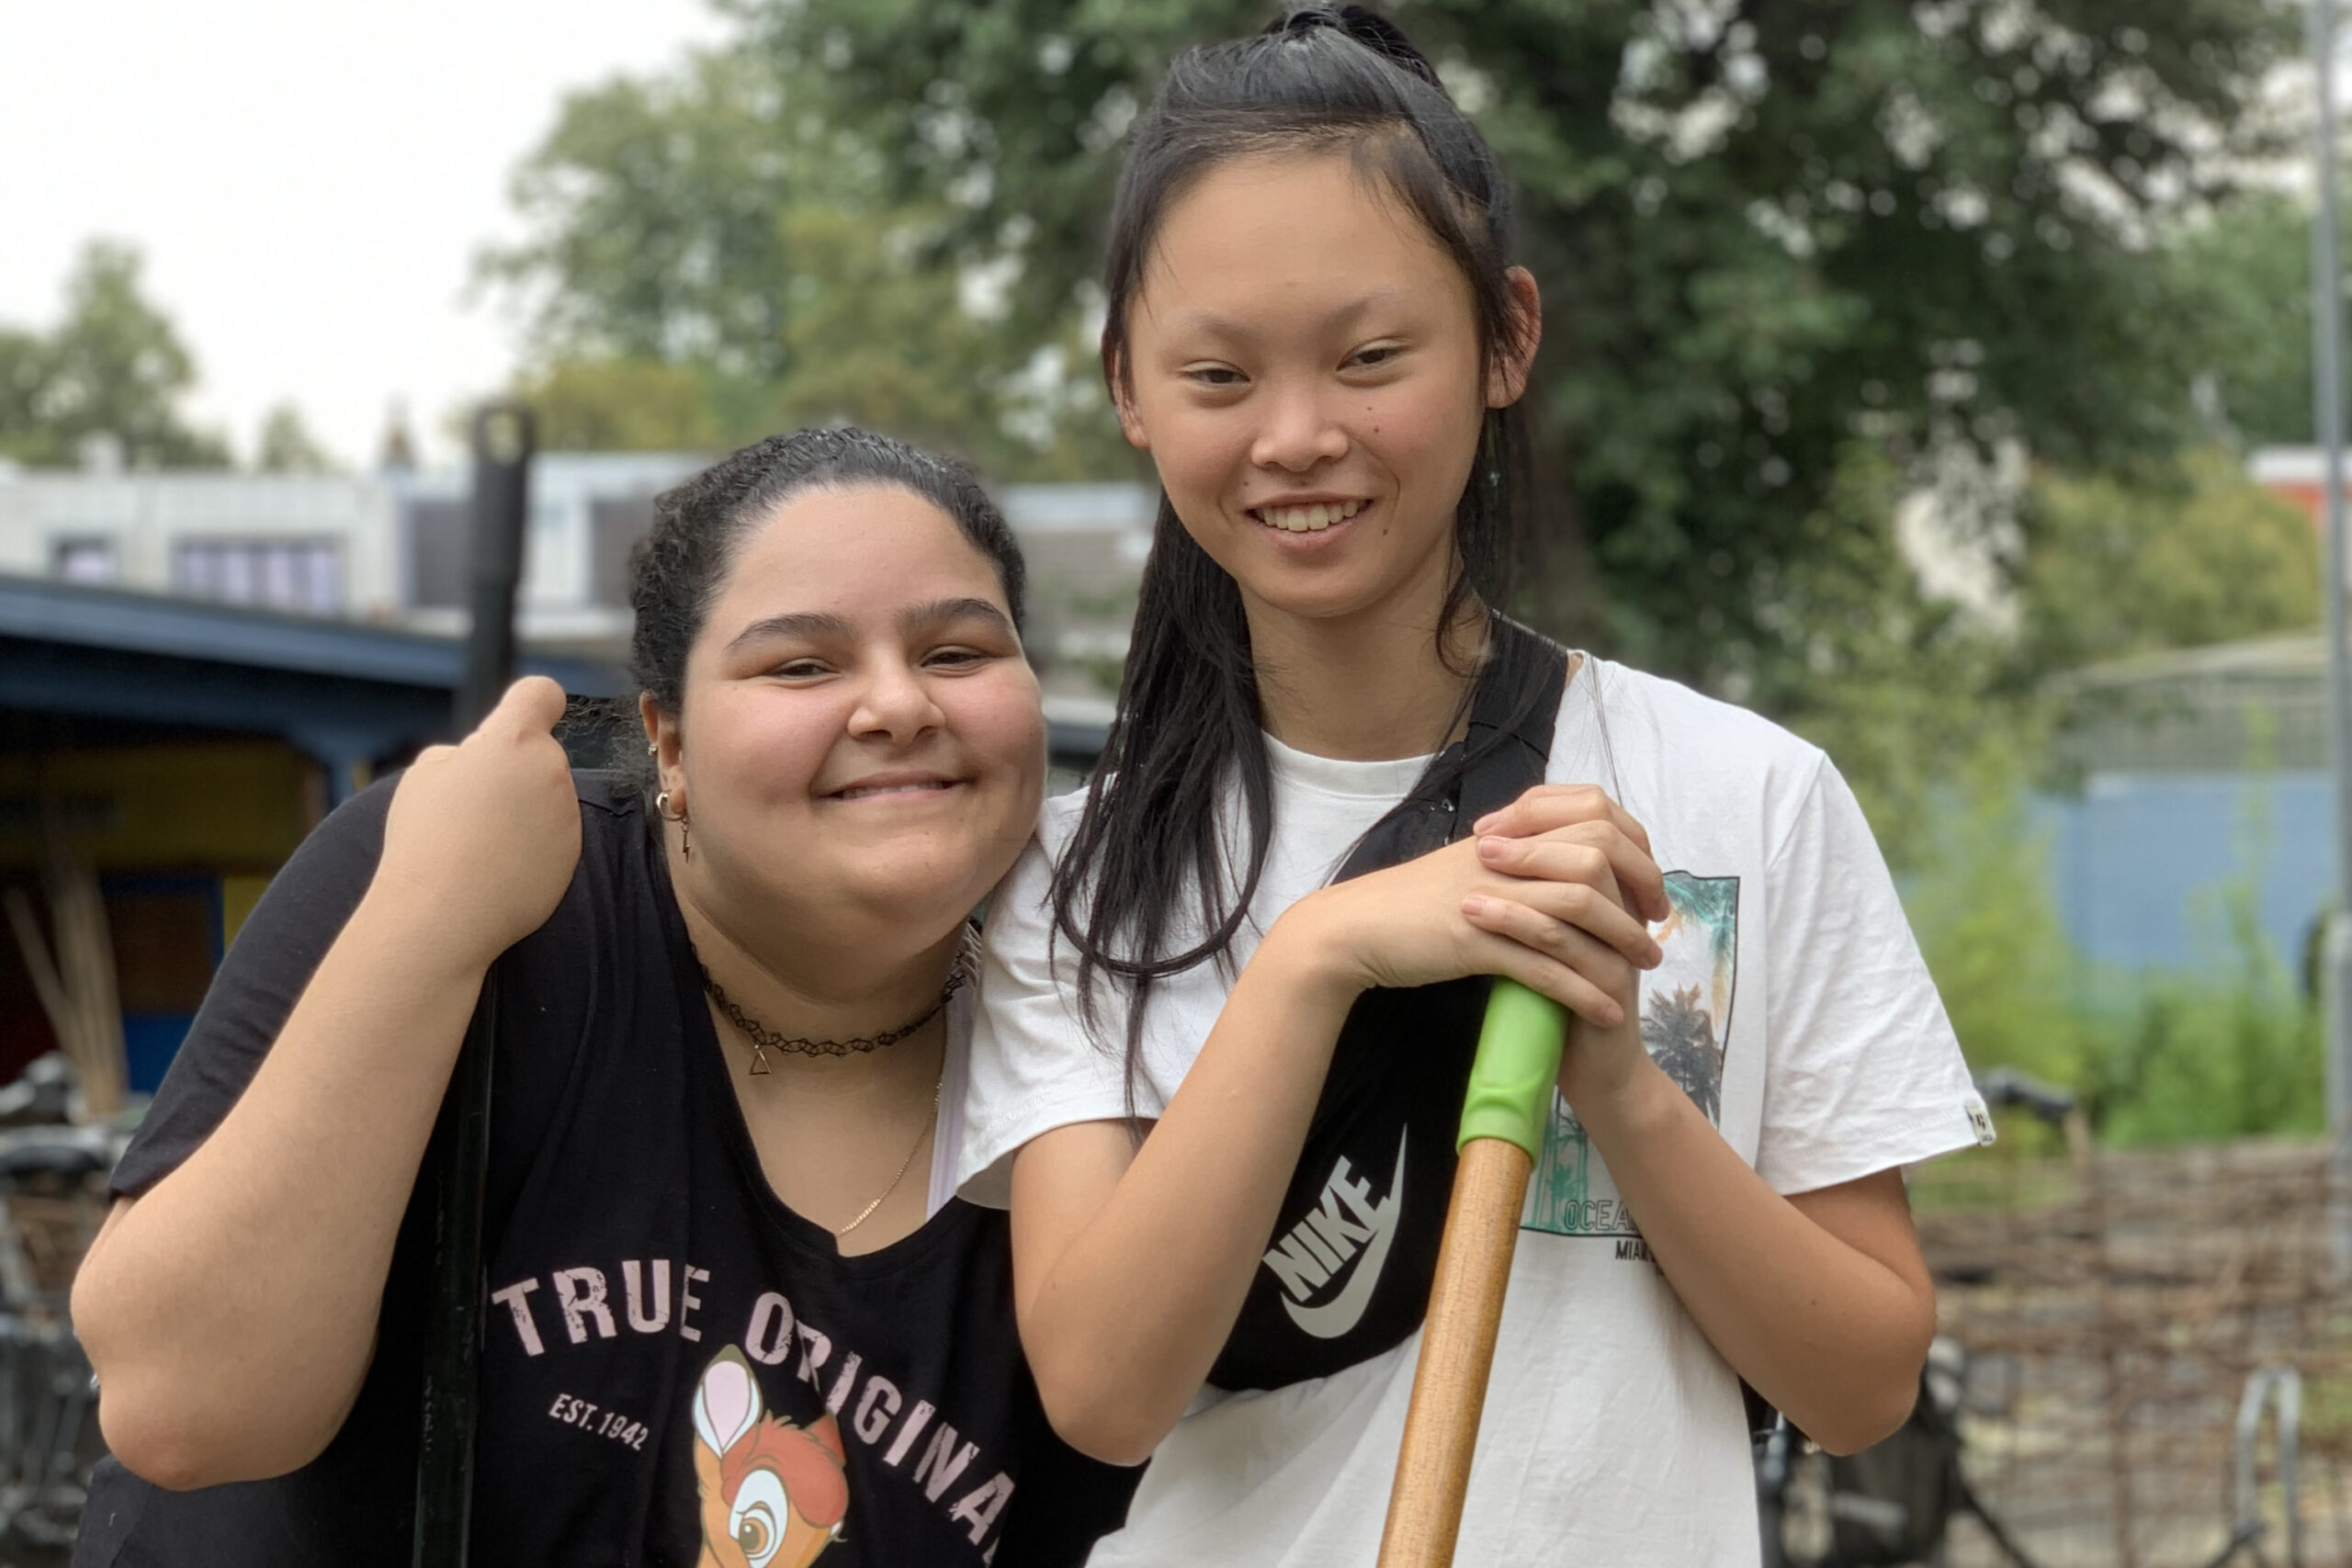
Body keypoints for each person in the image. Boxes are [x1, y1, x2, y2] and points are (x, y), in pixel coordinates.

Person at [956, 8, 1995, 1565]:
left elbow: (1860, 1385)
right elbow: (1103, 1390)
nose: (1299, 436)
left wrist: (1624, 1085)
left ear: (1506, 339)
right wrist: (1319, 959)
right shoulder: (1079, 877)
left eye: (1373, 358)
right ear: (1129, 385)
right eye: (1220, 373)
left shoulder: (1743, 796)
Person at [70, 428, 1136, 1567]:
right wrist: (428, 921)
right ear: (666, 743)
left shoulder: (1100, 1042)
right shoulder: (481, 882)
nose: (896, 705)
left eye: (959, 651)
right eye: (801, 666)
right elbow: (185, 1409)